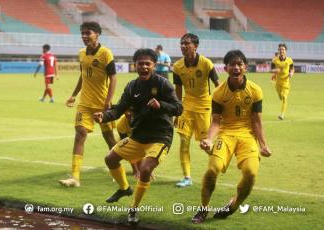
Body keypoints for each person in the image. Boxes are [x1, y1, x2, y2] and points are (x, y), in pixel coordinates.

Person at [93, 48, 183, 223]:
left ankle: (133, 208)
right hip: (138, 136)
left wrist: (161, 105)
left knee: (146, 169)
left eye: (147, 64)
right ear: (135, 65)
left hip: (160, 137)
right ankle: (125, 188)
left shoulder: (164, 84)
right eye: (140, 63)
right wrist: (104, 115)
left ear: (154, 65)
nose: (143, 67)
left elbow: (179, 108)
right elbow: (118, 109)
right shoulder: (132, 86)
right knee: (110, 158)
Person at [192, 50, 272, 224]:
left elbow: (256, 121)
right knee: (211, 171)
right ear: (226, 68)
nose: (236, 67)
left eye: (239, 64)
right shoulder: (219, 93)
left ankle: (234, 205)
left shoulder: (255, 90)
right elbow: (215, 122)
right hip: (226, 135)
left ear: (245, 66)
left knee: (250, 173)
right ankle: (203, 208)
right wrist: (208, 139)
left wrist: (263, 145)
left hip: (246, 135)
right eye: (232, 64)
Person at [59, 21, 117, 187]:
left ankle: (117, 168)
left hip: (102, 104)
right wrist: (73, 95)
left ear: (97, 34)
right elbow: (83, 75)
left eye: (88, 33)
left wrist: (107, 102)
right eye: (82, 33)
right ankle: (75, 177)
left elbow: (113, 78)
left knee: (109, 139)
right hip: (85, 103)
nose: (84, 36)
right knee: (80, 133)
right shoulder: (81, 53)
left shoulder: (106, 53)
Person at [173, 33, 220, 188]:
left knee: (204, 143)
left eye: (187, 43)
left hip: (204, 106)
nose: (183, 46)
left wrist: (220, 108)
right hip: (186, 106)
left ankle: (220, 160)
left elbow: (218, 86)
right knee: (183, 142)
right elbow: (178, 90)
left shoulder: (206, 63)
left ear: (196, 46)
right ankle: (187, 177)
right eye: (182, 43)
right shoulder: (178, 66)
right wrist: (177, 111)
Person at [270, 43, 294, 120]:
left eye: (283, 49)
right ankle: (280, 96)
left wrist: (291, 73)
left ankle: (282, 114)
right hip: (277, 83)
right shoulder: (274, 60)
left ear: (285, 51)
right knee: (280, 97)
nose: (281, 51)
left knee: (284, 97)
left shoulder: (289, 60)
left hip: (286, 83)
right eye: (280, 49)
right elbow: (271, 70)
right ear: (278, 51)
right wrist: (275, 70)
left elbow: (292, 69)